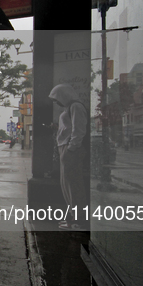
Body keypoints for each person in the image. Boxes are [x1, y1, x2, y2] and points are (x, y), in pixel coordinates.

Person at [49, 83, 88, 230]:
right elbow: (69, 129)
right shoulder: (69, 108)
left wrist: (71, 149)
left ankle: (79, 220)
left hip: (70, 149)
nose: (56, 102)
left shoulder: (76, 107)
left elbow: (79, 130)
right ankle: (74, 217)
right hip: (65, 147)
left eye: (57, 98)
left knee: (74, 185)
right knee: (67, 184)